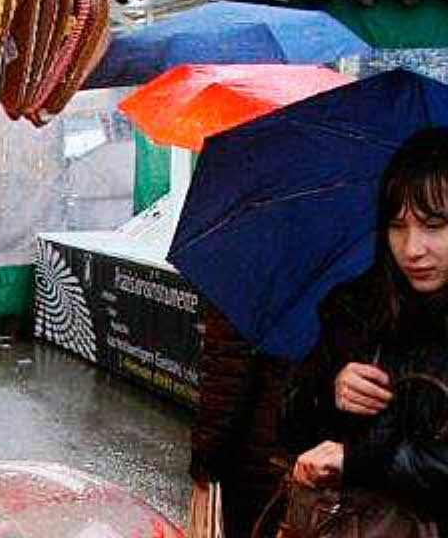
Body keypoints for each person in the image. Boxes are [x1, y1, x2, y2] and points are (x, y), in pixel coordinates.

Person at [282, 127, 448, 531]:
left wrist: (360, 461)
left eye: (433, 225)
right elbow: (289, 426)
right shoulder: (356, 309)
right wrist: (328, 391)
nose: (411, 249)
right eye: (396, 226)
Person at [188, 300, 290, 537]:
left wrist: (205, 462)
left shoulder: (248, 280)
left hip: (258, 459)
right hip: (305, 466)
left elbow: (224, 375)